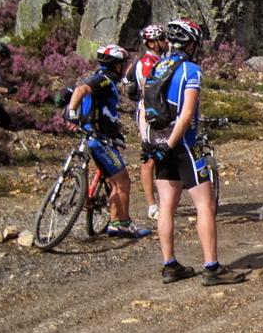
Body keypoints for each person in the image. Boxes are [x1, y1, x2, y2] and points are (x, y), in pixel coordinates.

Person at [141, 18, 242, 285]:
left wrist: (151, 144)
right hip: (183, 144)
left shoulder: (157, 67)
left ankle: (170, 265)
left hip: (158, 142)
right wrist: (173, 143)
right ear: (191, 44)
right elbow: (186, 115)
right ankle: (212, 268)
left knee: (166, 206)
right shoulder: (191, 71)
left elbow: (142, 109)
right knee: (205, 205)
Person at [64, 44, 150, 238]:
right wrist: (72, 112)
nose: (125, 67)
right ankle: (123, 224)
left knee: (113, 180)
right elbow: (81, 90)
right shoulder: (104, 79)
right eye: (124, 64)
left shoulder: (102, 77)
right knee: (123, 180)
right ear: (116, 66)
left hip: (103, 137)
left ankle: (114, 222)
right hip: (99, 139)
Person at [125, 23, 169, 220]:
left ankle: (164, 199)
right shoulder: (146, 62)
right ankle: (152, 206)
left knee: (163, 155)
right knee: (149, 158)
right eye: (162, 39)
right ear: (152, 43)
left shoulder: (161, 60)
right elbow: (147, 90)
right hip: (148, 113)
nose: (166, 42)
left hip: (161, 113)